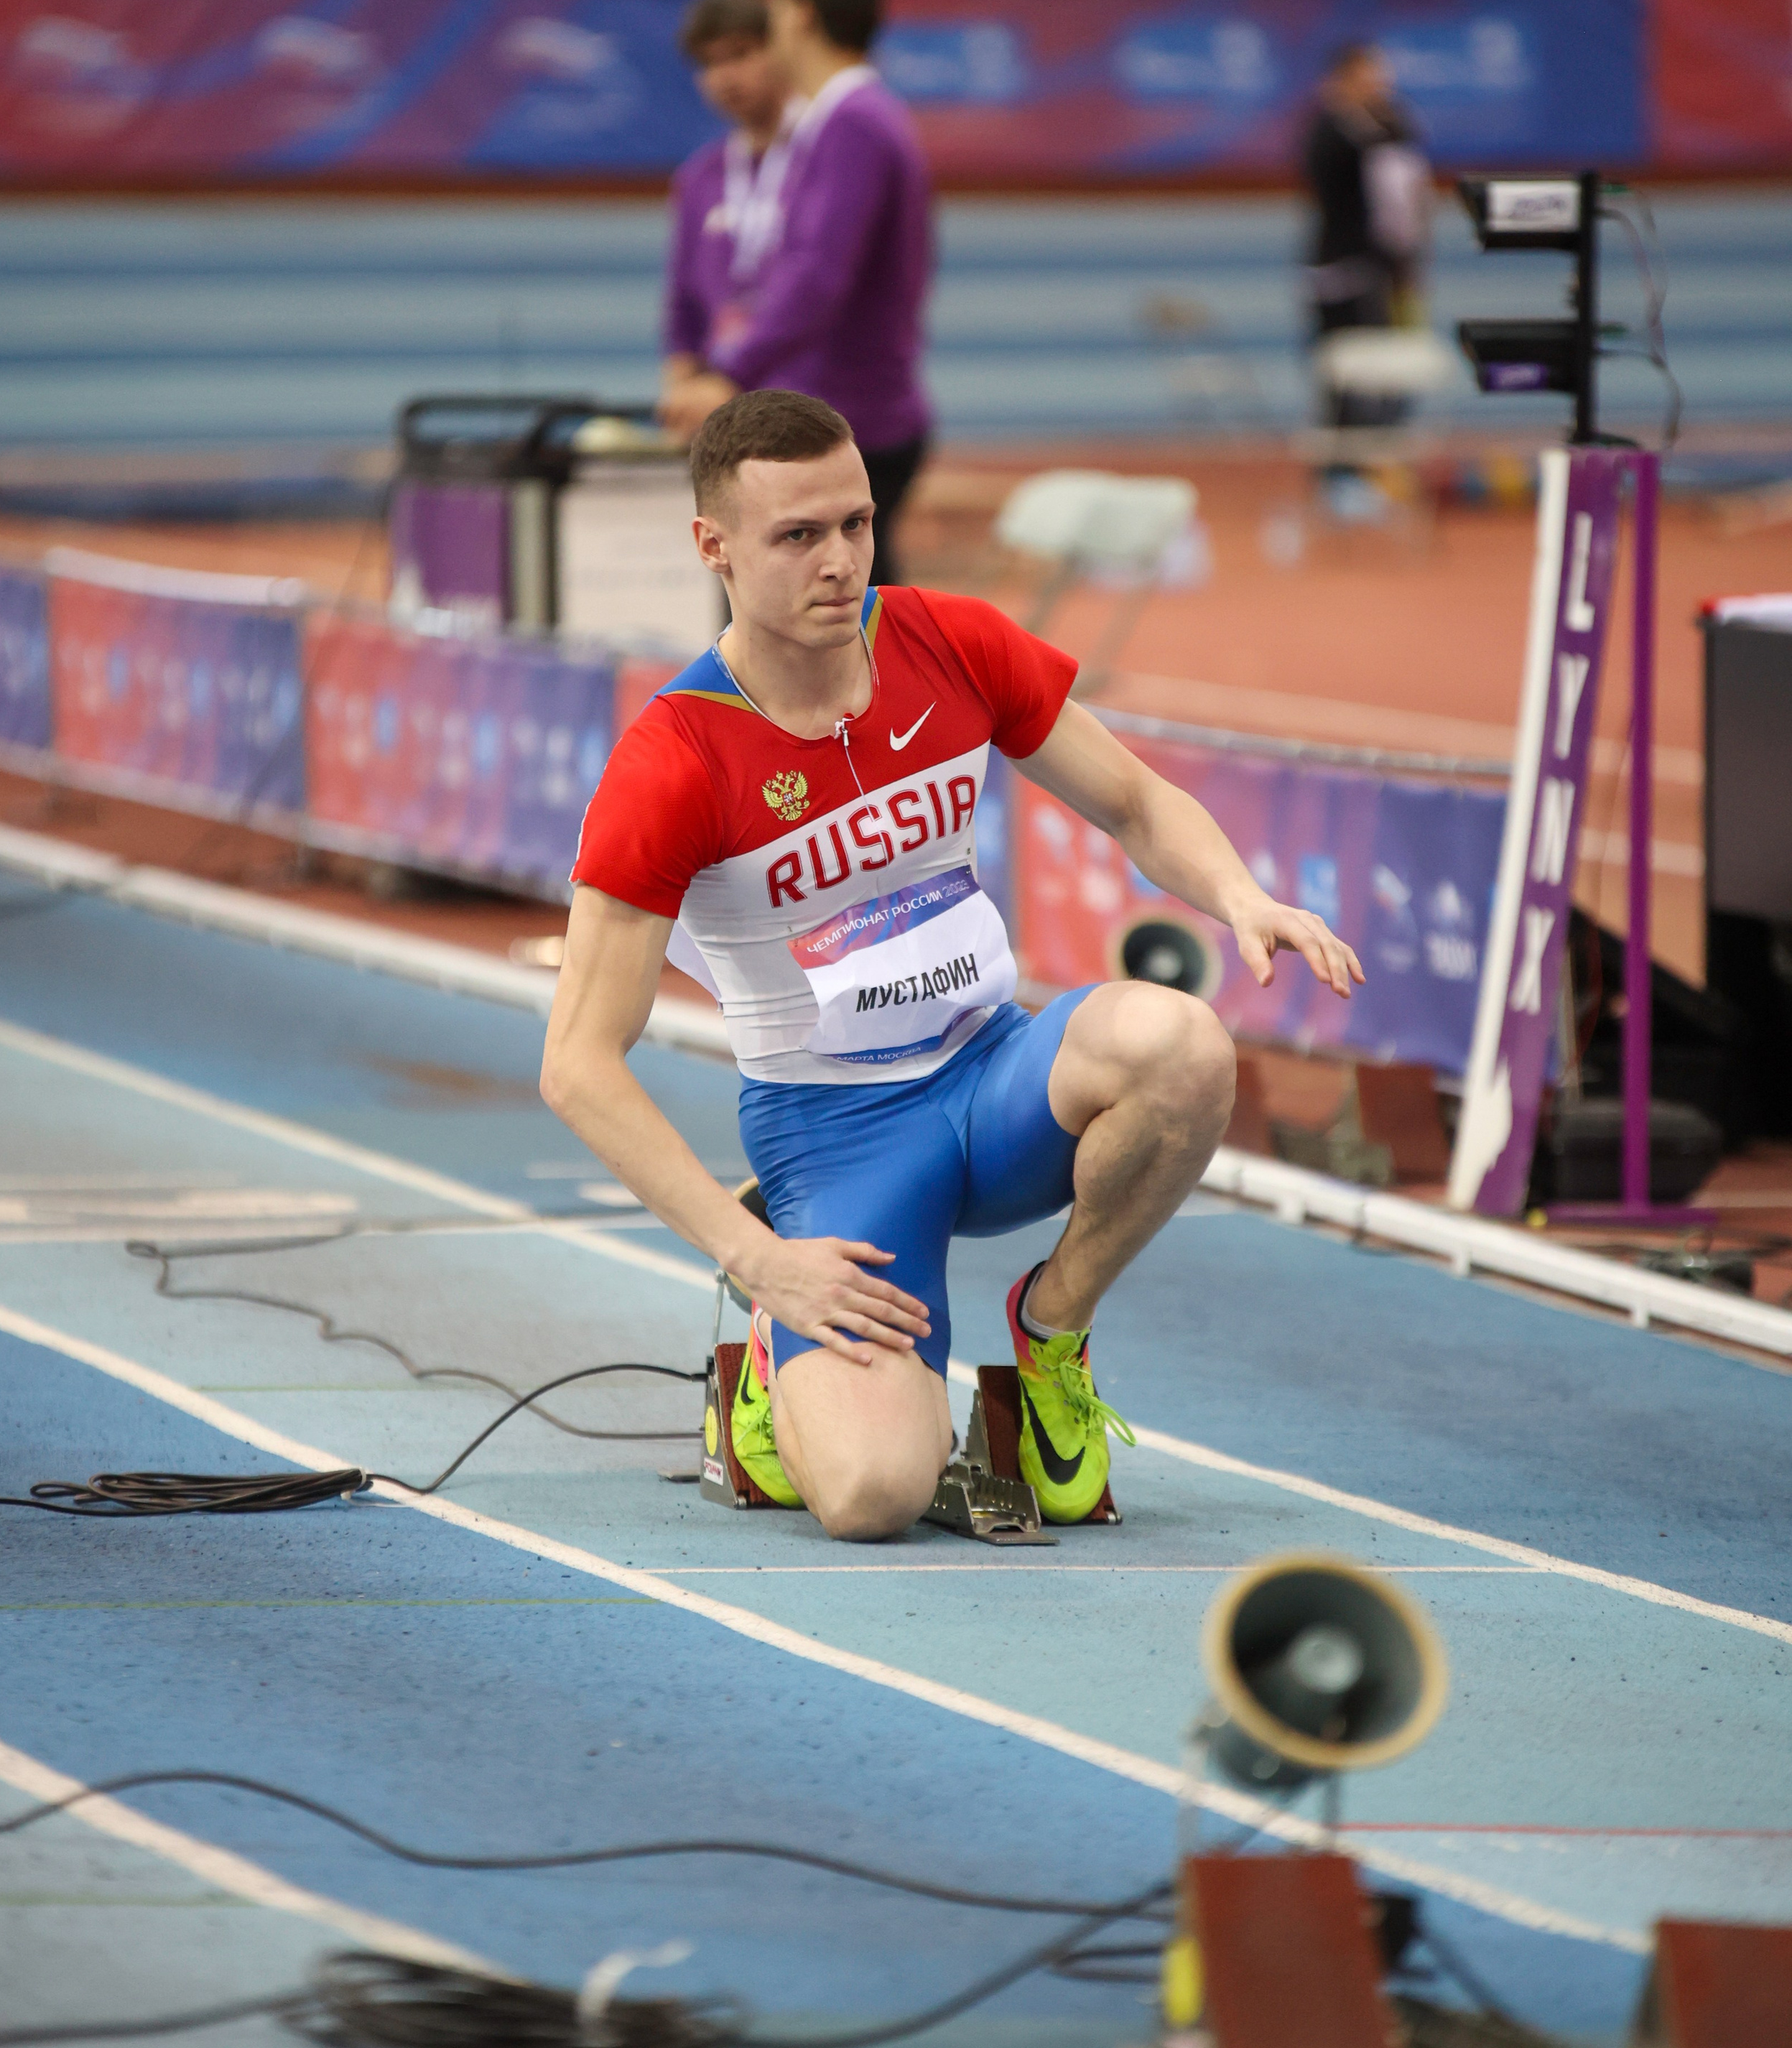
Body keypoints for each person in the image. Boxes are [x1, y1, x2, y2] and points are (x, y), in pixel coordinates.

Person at [542, 390, 1360, 1545]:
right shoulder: (674, 761)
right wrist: (760, 1261)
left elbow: (1129, 798)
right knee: (876, 1496)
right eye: (798, 537)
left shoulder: (946, 640)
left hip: (995, 1079)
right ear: (712, 548)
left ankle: (1052, 1326)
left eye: (857, 524)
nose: (840, 563)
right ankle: (765, 1377)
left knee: (1182, 1043)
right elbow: (578, 1064)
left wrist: (1242, 896)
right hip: (838, 1139)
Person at [659, 0, 933, 588]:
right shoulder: (842, 122)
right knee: (798, 614)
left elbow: (819, 276)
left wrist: (727, 372)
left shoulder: (851, 123)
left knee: (830, 619)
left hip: (848, 416)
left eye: (771, 16)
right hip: (816, 410)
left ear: (800, 16)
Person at [1302, 41, 1431, 517]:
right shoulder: (1330, 131)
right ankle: (1339, 479)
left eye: (1383, 75)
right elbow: (1334, 177)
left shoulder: (1392, 128)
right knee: (1340, 376)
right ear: (1344, 79)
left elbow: (1409, 206)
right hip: (1338, 273)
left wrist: (1409, 268)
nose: (1381, 84)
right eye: (1369, 75)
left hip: (1387, 275)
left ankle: (1375, 471)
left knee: (1387, 376)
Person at [660, 0, 799, 435]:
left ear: (780, 53)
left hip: (812, 407)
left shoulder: (821, 160)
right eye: (709, 63)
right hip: (727, 411)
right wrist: (679, 393)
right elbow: (684, 310)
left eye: (740, 55)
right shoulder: (699, 177)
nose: (725, 76)